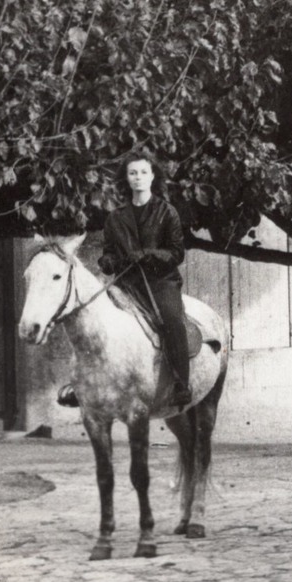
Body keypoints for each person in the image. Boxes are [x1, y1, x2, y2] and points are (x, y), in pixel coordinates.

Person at [96, 154, 193, 407]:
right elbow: (108, 251)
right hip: (126, 282)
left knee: (172, 320)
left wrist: (148, 255)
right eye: (132, 173)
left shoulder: (166, 212)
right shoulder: (115, 217)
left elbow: (176, 253)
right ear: (126, 179)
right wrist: (108, 262)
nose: (138, 177)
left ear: (152, 176)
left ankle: (182, 383)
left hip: (160, 281)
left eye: (142, 172)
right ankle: (88, 383)